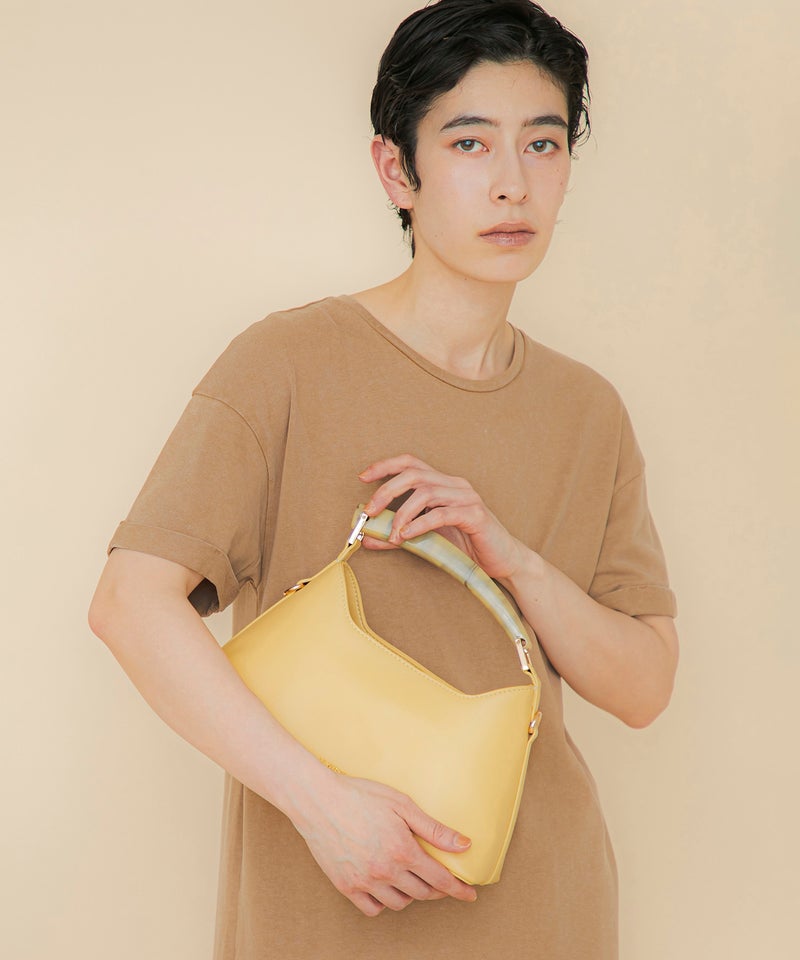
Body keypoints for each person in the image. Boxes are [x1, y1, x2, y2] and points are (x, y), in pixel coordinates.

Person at [89, 1, 679, 957]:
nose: (513, 183)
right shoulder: (286, 363)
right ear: (397, 170)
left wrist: (514, 559)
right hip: (323, 914)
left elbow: (645, 686)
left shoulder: (588, 409)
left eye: (542, 144)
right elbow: (130, 603)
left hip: (546, 911)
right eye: (469, 143)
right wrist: (321, 804)